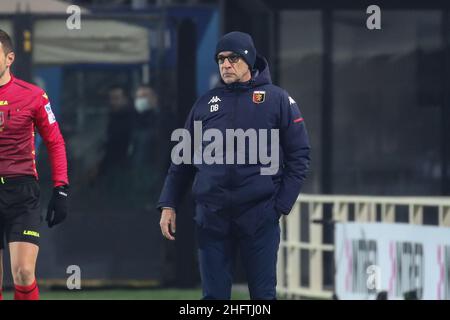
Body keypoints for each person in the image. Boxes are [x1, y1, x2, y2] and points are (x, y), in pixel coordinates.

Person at [157, 31, 311, 299]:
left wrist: (279, 206)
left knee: (263, 296)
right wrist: (169, 203)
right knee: (213, 298)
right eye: (220, 59)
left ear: (249, 61)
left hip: (259, 215)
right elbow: (182, 159)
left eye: (233, 59)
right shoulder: (205, 103)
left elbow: (299, 156)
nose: (225, 65)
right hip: (211, 217)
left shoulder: (277, 99)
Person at [0, 29, 69, 300]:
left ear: (9, 58)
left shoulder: (33, 95)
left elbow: (55, 142)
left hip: (22, 193)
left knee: (24, 273)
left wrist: (61, 188)